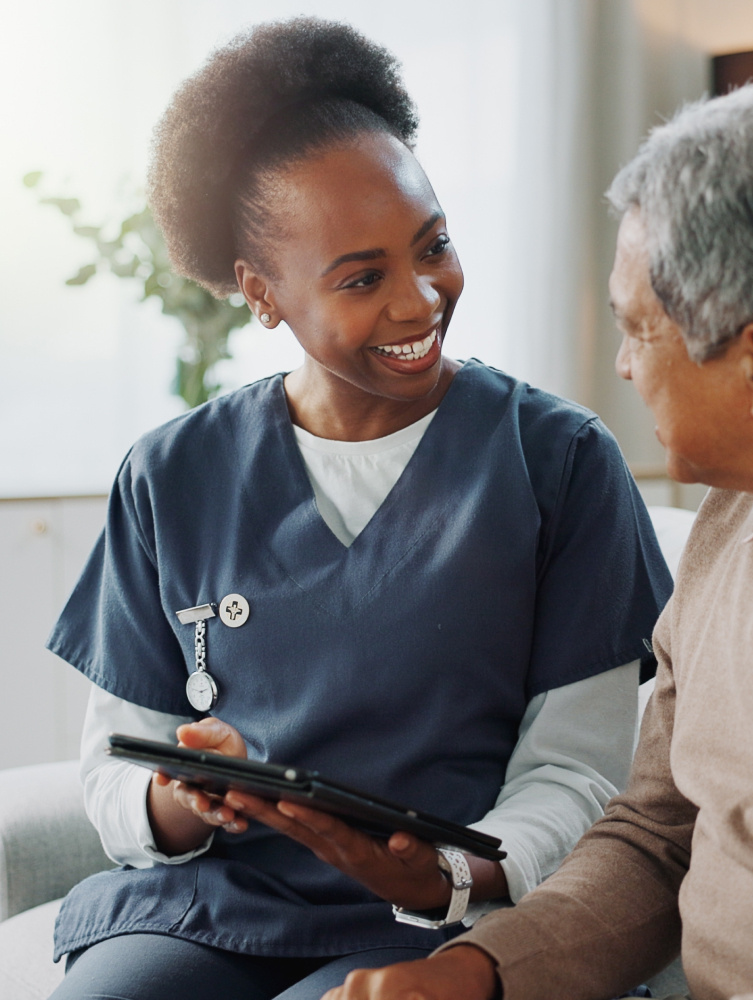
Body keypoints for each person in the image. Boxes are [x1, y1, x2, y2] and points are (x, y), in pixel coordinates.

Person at [321, 80, 753, 1000]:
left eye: (639, 330)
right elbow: (656, 836)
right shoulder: (748, 498)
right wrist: (478, 973)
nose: (623, 365)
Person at [44, 18, 672, 1000]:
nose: (421, 300)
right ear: (261, 293)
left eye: (434, 247)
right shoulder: (171, 475)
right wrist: (181, 799)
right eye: (362, 277)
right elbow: (115, 767)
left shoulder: (559, 463)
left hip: (439, 920)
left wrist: (449, 871)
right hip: (210, 910)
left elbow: (584, 776)